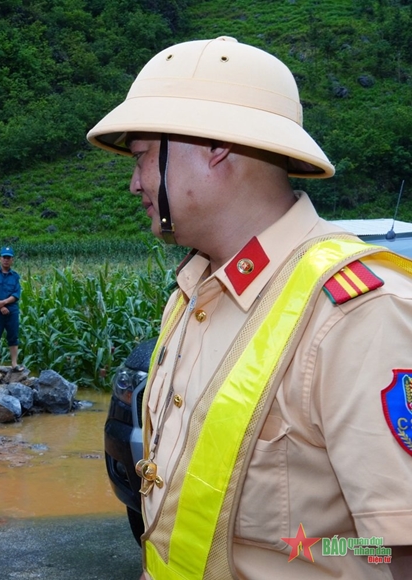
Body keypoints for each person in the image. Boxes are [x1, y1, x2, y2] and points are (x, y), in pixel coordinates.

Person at [87, 36, 412, 579]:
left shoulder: (359, 314)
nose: (133, 183)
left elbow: (399, 551)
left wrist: (312, 556)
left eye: (143, 157)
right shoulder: (192, 295)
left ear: (216, 146)